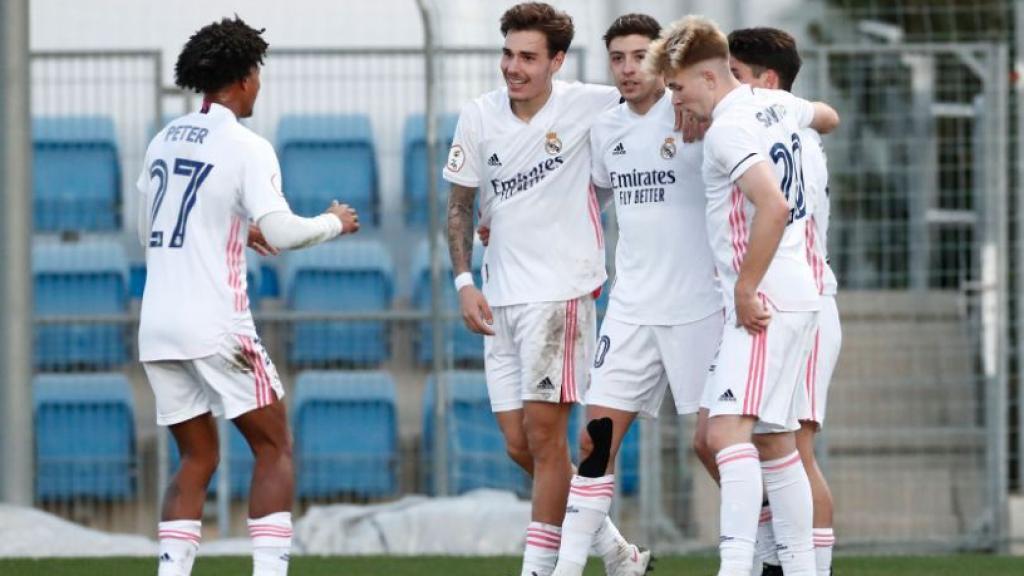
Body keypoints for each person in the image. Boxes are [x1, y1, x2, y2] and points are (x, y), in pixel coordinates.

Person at [137, 16, 359, 576]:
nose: (260, 83)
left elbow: (154, 231)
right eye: (258, 72)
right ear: (243, 77)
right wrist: (333, 222)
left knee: (197, 456)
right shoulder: (246, 145)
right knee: (275, 446)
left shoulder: (163, 139)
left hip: (157, 325)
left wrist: (238, 230)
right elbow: (285, 231)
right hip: (216, 325)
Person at [443, 3, 649, 575]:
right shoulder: (478, 115)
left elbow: (650, 104)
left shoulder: (591, 104)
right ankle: (615, 551)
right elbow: (459, 207)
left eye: (528, 57)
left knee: (544, 436)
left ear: (557, 61)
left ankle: (540, 568)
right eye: (508, 53)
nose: (513, 66)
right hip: (498, 296)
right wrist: (464, 281)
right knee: (519, 443)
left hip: (560, 295)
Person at [646, 15, 839, 576]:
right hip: (802, 292)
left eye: (678, 88)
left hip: (767, 296)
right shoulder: (772, 103)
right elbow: (825, 114)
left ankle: (736, 565)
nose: (676, 101)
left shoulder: (730, 126)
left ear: (708, 78)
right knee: (777, 442)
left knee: (726, 432)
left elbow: (773, 206)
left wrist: (746, 286)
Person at [548, 13, 723, 576]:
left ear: (663, 60)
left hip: (703, 308)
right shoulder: (607, 128)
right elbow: (592, 196)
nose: (627, 69)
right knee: (594, 444)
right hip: (630, 310)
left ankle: (782, 553)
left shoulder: (702, 117)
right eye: (617, 58)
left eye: (639, 57)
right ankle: (571, 567)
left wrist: (703, 109)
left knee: (718, 446)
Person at [727, 27, 841, 576]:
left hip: (808, 301)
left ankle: (811, 566)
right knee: (752, 442)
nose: (726, 86)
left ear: (765, 83)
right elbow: (828, 113)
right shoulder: (792, 123)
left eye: (734, 74)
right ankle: (779, 558)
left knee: (792, 448)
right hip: (793, 299)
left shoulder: (785, 138)